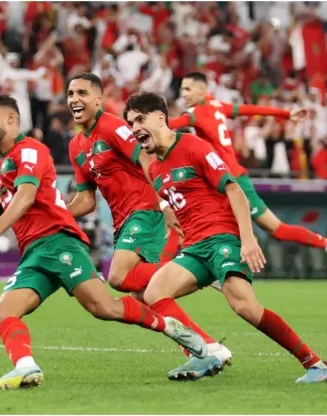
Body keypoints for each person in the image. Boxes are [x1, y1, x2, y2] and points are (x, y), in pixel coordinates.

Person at [0, 94, 214, 390]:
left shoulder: (30, 151)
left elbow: (25, 197)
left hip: (59, 243)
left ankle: (175, 329)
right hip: (34, 255)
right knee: (2, 313)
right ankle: (26, 367)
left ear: (11, 118)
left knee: (104, 308)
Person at [124, 91, 327, 384]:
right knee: (151, 295)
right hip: (196, 248)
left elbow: (234, 190)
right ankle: (202, 351)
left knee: (245, 307)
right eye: (131, 123)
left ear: (160, 118)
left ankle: (315, 363)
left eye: (139, 120)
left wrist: (247, 240)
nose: (134, 128)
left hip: (223, 239)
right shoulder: (156, 167)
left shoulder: (194, 145)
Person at [65, 73, 232, 365]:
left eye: (82, 92)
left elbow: (147, 159)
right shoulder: (75, 146)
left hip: (145, 209)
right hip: (123, 222)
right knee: (147, 295)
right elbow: (86, 200)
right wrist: (53, 213)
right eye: (70, 94)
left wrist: (165, 200)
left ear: (98, 99)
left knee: (117, 277)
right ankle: (206, 347)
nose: (74, 99)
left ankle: (197, 268)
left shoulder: (113, 125)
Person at [168, 72, 327, 274]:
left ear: (202, 90)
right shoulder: (217, 106)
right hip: (219, 180)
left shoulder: (196, 112)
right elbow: (251, 109)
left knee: (277, 229)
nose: (183, 94)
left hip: (233, 181)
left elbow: (170, 125)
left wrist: (144, 127)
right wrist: (285, 114)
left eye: (187, 89)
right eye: (182, 89)